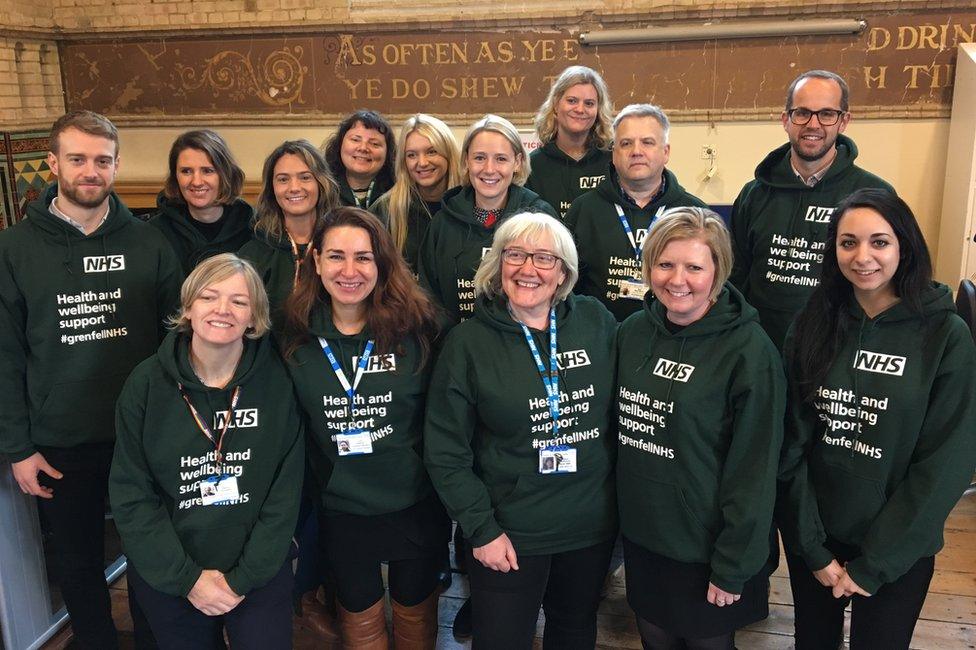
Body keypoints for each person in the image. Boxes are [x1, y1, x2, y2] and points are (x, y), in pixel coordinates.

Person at [0, 110, 182, 649]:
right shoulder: (14, 250)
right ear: (52, 162)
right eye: (77, 159)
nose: (90, 171)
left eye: (102, 160)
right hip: (58, 438)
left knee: (151, 554)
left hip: (142, 435)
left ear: (117, 165)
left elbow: (175, 342)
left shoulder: (150, 245)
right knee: (77, 558)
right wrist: (18, 446)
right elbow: (6, 355)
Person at [776, 188, 976, 649]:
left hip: (898, 545)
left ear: (904, 245)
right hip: (819, 539)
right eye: (848, 243)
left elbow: (945, 462)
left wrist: (876, 563)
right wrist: (812, 546)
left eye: (879, 242)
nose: (862, 257)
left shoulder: (946, 334)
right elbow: (791, 442)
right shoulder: (811, 323)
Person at [425, 212, 618, 649]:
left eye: (544, 258)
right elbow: (445, 451)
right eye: (515, 254)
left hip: (589, 524)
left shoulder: (596, 322)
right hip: (509, 530)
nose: (528, 269)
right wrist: (481, 529)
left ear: (564, 271)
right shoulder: (468, 342)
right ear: (498, 264)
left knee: (573, 629)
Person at [110, 253, 304, 650]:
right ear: (188, 307)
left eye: (239, 301)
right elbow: (133, 497)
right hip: (172, 568)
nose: (222, 310)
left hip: (257, 568)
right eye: (209, 297)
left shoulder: (278, 384)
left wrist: (242, 578)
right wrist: (189, 580)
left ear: (254, 317)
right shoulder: (145, 384)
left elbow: (284, 496)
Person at [615, 206, 784, 649]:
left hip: (708, 549)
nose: (677, 279)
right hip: (645, 538)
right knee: (655, 639)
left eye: (694, 267)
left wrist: (733, 563)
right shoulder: (632, 333)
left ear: (719, 271)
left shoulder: (750, 351)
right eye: (665, 264)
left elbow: (756, 470)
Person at [281, 207, 447, 649]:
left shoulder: (421, 329)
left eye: (364, 257)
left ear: (382, 263)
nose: (349, 271)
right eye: (336, 256)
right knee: (358, 607)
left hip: (415, 499)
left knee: (415, 603)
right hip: (342, 505)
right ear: (316, 261)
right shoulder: (293, 336)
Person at [729, 69, 894, 350]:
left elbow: (888, 283)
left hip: (837, 350)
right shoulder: (753, 194)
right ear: (786, 120)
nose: (813, 124)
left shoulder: (875, 196)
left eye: (827, 114)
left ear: (844, 121)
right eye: (802, 112)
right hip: (761, 347)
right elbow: (736, 275)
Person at [566, 103, 706, 322]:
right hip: (600, 338)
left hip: (671, 338)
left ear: (665, 151)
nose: (636, 151)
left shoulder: (694, 213)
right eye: (626, 143)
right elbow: (566, 285)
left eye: (648, 142)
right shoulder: (584, 210)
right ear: (613, 153)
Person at [418, 114, 558, 324]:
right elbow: (429, 298)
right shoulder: (443, 223)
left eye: (501, 158)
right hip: (459, 344)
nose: (489, 169)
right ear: (466, 161)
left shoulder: (540, 218)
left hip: (525, 345)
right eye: (480, 158)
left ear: (518, 162)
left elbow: (557, 289)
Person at [238, 140, 340, 315]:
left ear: (321, 183)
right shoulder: (252, 254)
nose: (294, 188)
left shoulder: (342, 245)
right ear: (272, 188)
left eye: (305, 177)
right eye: (283, 179)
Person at [150, 130, 253, 274]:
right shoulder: (154, 233)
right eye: (186, 171)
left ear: (225, 174)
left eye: (207, 171)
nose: (196, 182)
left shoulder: (253, 229)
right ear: (175, 177)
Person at [370, 114, 462, 274]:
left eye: (432, 152)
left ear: (448, 153)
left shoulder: (471, 203)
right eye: (411, 155)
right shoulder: (385, 210)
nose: (422, 162)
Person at [526, 65, 613, 218]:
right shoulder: (533, 165)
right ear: (555, 104)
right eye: (572, 101)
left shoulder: (613, 160)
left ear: (598, 110)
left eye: (589, 103)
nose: (580, 109)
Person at [324, 110, 396, 209]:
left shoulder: (400, 192)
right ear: (340, 144)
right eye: (355, 140)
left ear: (388, 153)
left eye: (374, 143)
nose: (363, 148)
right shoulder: (323, 189)